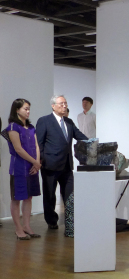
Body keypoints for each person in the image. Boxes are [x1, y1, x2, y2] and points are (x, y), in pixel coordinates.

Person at [36, 95, 88, 237]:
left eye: (65, 103)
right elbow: (39, 143)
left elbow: (80, 136)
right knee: (49, 195)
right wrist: (40, 160)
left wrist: (94, 143)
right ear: (53, 106)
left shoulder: (69, 122)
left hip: (66, 166)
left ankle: (71, 222)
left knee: (70, 195)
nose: (64, 106)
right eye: (61, 104)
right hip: (50, 165)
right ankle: (51, 220)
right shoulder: (44, 121)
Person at [4, 99, 41, 240]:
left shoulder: (31, 127)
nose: (28, 111)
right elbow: (18, 149)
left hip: (32, 166)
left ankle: (27, 226)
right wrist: (35, 162)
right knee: (16, 198)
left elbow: (36, 146)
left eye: (29, 108)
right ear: (17, 110)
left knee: (29, 197)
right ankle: (18, 229)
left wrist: (36, 162)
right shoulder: (13, 127)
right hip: (19, 167)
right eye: (25, 108)